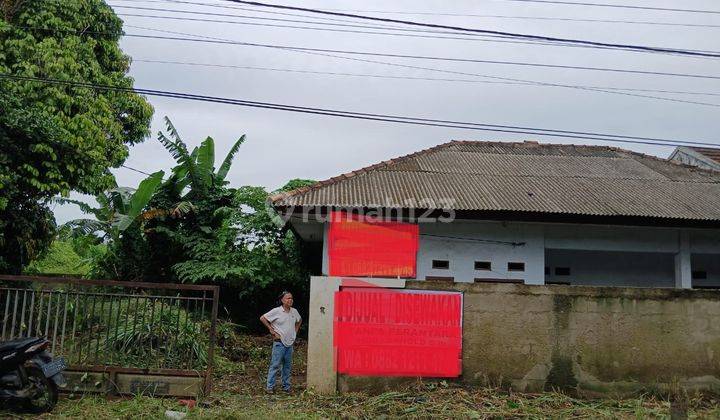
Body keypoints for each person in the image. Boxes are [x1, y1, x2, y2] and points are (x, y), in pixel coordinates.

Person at [260, 291, 302, 393]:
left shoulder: (294, 311)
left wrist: (295, 332)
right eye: (288, 298)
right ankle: (270, 387)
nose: (290, 300)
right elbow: (263, 318)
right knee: (275, 365)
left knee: (287, 366)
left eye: (291, 298)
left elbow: (299, 320)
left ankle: (286, 387)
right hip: (279, 342)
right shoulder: (277, 311)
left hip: (289, 343)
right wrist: (271, 330)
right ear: (282, 300)